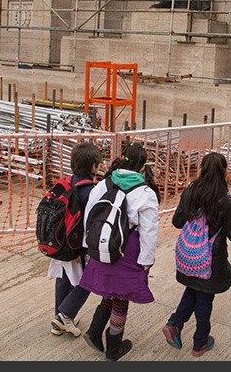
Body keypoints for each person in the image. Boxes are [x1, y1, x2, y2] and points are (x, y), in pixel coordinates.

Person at [162, 152, 231, 357]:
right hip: (210, 260)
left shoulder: (189, 193)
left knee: (193, 289)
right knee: (204, 299)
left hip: (188, 255)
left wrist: (192, 213)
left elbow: (177, 222)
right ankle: (200, 342)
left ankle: (175, 324)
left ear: (202, 170)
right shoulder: (226, 201)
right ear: (224, 172)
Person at [79, 142, 160, 361]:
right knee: (121, 296)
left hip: (101, 242)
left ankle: (95, 331)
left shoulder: (104, 183)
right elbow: (149, 230)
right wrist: (147, 259)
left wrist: (89, 246)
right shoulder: (146, 192)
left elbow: (90, 214)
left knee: (111, 288)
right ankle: (114, 347)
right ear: (143, 166)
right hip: (127, 248)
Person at [47, 142, 102, 338]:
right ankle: (65, 315)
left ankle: (58, 319)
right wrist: (82, 251)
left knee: (63, 278)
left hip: (59, 242)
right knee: (87, 281)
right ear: (94, 166)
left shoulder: (64, 183)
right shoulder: (91, 191)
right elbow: (88, 225)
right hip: (77, 247)